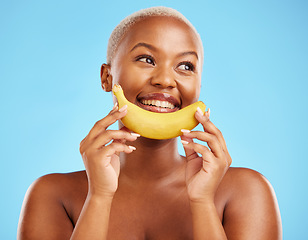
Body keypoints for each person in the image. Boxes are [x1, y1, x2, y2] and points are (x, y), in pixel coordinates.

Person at [17, 6, 282, 240]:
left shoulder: (247, 192)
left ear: (199, 84)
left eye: (186, 66)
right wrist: (98, 198)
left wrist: (202, 202)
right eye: (147, 59)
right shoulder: (52, 196)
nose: (166, 80)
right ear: (107, 78)